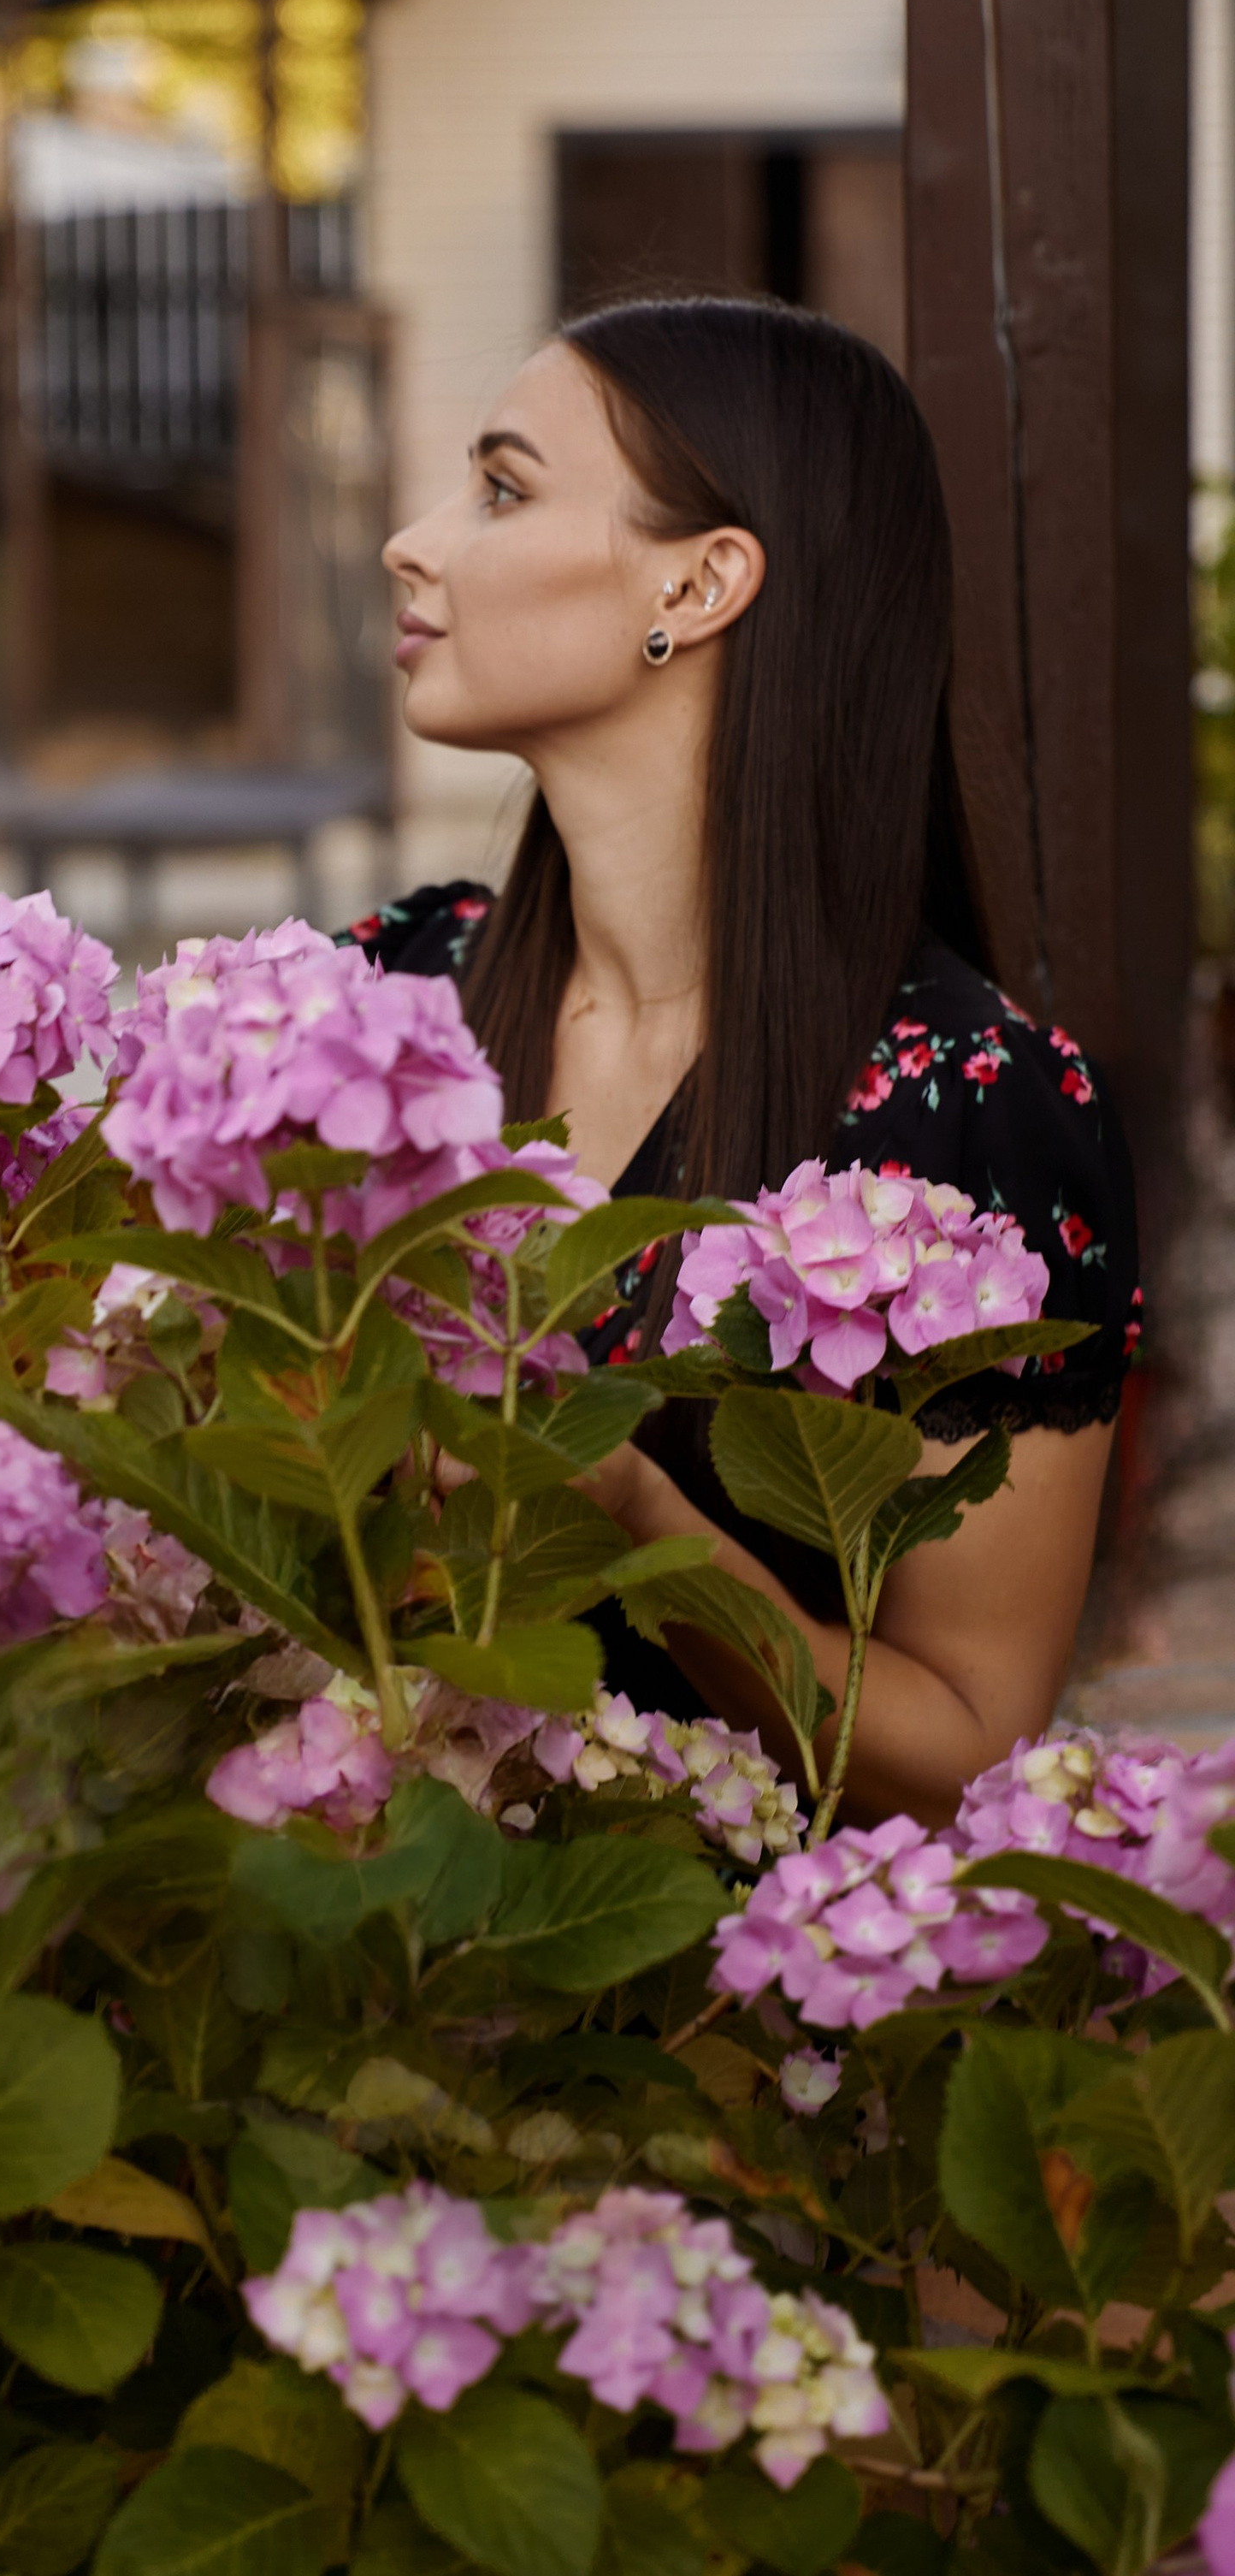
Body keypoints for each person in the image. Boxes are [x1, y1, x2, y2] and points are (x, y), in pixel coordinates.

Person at [354, 296, 1139, 1827]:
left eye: (503, 488)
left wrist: (642, 1517)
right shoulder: (386, 999)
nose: (412, 540)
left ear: (702, 583)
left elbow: (972, 1753)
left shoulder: (969, 1117)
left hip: (715, 2025)